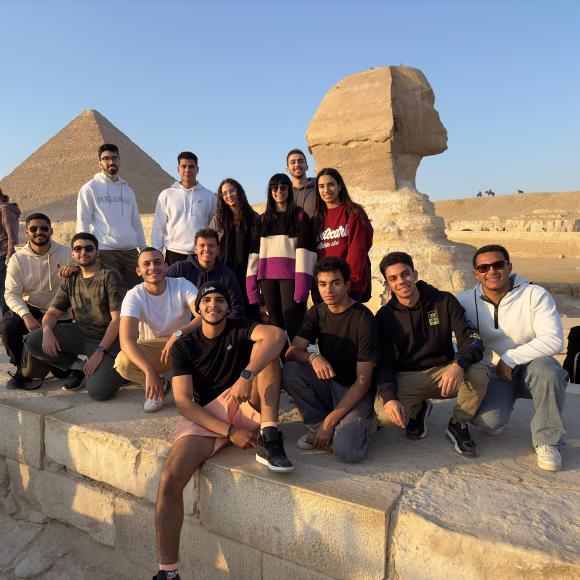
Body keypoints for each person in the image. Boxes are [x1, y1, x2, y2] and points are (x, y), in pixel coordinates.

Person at [153, 282, 293, 580]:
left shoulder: (239, 327)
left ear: (228, 308)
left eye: (219, 300)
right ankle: (168, 572)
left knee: (267, 355)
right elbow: (184, 404)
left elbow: (277, 335)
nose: (213, 305)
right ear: (198, 307)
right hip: (207, 416)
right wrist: (229, 432)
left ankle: (270, 436)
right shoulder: (185, 346)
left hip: (244, 402)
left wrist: (246, 374)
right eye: (207, 300)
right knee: (169, 479)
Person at [457, 244, 568, 471]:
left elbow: (555, 340)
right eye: (484, 267)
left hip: (532, 368)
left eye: (498, 265)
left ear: (509, 267)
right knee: (487, 424)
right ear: (475, 273)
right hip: (495, 374)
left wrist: (510, 358)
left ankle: (547, 440)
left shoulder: (534, 294)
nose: (492, 271)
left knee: (548, 371)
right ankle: (505, 402)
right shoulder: (466, 300)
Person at [375, 252, 488, 457]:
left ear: (415, 274)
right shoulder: (385, 316)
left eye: (405, 274)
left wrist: (458, 365)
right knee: (384, 417)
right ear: (388, 284)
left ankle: (458, 423)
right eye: (393, 278)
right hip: (408, 375)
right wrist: (390, 398)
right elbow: (384, 362)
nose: (401, 281)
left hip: (445, 372)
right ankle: (419, 409)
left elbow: (472, 339)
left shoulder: (443, 301)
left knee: (479, 372)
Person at [284, 257, 378, 462]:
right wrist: (313, 356)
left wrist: (330, 423)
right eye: (322, 284)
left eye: (335, 283)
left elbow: (363, 382)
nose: (328, 290)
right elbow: (291, 353)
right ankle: (318, 428)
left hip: (357, 392)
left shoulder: (363, 319)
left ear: (347, 284)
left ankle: (367, 422)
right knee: (291, 370)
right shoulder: (317, 312)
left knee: (348, 452)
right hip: (330, 384)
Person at [24, 233, 125, 399]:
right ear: (72, 253)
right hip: (80, 334)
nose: (83, 252)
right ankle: (78, 366)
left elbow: (117, 320)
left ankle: (117, 370)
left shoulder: (110, 276)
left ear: (97, 252)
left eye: (88, 248)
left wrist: (99, 351)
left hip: (106, 339)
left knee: (99, 393)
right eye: (78, 248)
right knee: (33, 340)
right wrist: (47, 331)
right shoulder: (70, 278)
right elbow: (52, 313)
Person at [115, 247, 198, 413]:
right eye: (147, 264)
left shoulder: (182, 284)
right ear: (139, 271)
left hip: (183, 344)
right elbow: (126, 340)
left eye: (157, 262)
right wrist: (149, 371)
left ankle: (191, 383)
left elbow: (203, 316)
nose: (153, 267)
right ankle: (159, 383)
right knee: (123, 363)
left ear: (166, 266)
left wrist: (179, 333)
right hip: (154, 348)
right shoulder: (134, 295)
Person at [1, 213, 74, 388]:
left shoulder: (66, 253)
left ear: (51, 231)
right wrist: (26, 315)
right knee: (8, 324)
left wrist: (76, 268)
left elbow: (89, 271)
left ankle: (61, 363)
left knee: (61, 372)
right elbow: (11, 293)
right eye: (34, 229)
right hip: (32, 308)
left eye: (43, 228)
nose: (39, 232)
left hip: (60, 312)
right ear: (26, 233)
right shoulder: (17, 259)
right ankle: (21, 368)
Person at [246, 173, 316, 342]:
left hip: (291, 278)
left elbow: (306, 253)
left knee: (293, 323)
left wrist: (302, 287)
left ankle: (298, 362)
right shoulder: (263, 219)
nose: (279, 191)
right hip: (267, 278)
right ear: (270, 192)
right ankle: (282, 364)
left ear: (289, 190)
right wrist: (251, 288)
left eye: (283, 187)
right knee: (275, 326)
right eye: (274, 188)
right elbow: (254, 254)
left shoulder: (299, 216)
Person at [76, 144, 146, 290]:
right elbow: (83, 222)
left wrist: (144, 249)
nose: (111, 162)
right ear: (99, 163)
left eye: (114, 158)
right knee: (112, 294)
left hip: (130, 251)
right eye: (106, 158)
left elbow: (136, 223)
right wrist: (85, 251)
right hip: (106, 251)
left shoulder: (127, 190)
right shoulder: (89, 189)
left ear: (119, 161)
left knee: (138, 292)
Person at [312, 168, 373, 302]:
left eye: (331, 185)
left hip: (348, 285)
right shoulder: (316, 219)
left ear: (339, 186)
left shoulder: (353, 213)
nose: (326, 190)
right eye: (321, 186)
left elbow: (358, 250)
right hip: (324, 287)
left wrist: (347, 281)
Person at [152, 151, 216, 266]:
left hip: (200, 255)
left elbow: (214, 228)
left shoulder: (209, 196)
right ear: (178, 169)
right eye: (184, 166)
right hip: (173, 254)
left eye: (191, 166)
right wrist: (157, 257)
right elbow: (158, 229)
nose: (187, 170)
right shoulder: (166, 195)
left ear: (197, 169)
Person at [166, 228, 244, 320]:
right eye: (202, 245)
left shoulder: (228, 275)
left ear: (218, 250)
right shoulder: (180, 269)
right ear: (195, 249)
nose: (206, 249)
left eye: (211, 246)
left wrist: (222, 328)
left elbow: (237, 308)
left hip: (216, 327)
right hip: (183, 327)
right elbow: (161, 286)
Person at [210, 178, 260, 320]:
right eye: (224, 193)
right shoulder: (217, 220)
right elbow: (210, 242)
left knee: (249, 313)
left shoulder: (253, 217)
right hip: (224, 273)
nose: (229, 195)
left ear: (239, 191)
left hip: (247, 273)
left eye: (231, 190)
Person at [0, 188, 21, 314]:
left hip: (3, 257)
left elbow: (12, 237)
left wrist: (9, 259)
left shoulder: (4, 210)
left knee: (4, 293)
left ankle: (6, 326)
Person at [286, 149, 316, 217]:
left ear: (307, 166)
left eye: (300, 161)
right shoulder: (284, 191)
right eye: (292, 162)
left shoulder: (319, 185)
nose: (297, 164)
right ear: (287, 169)